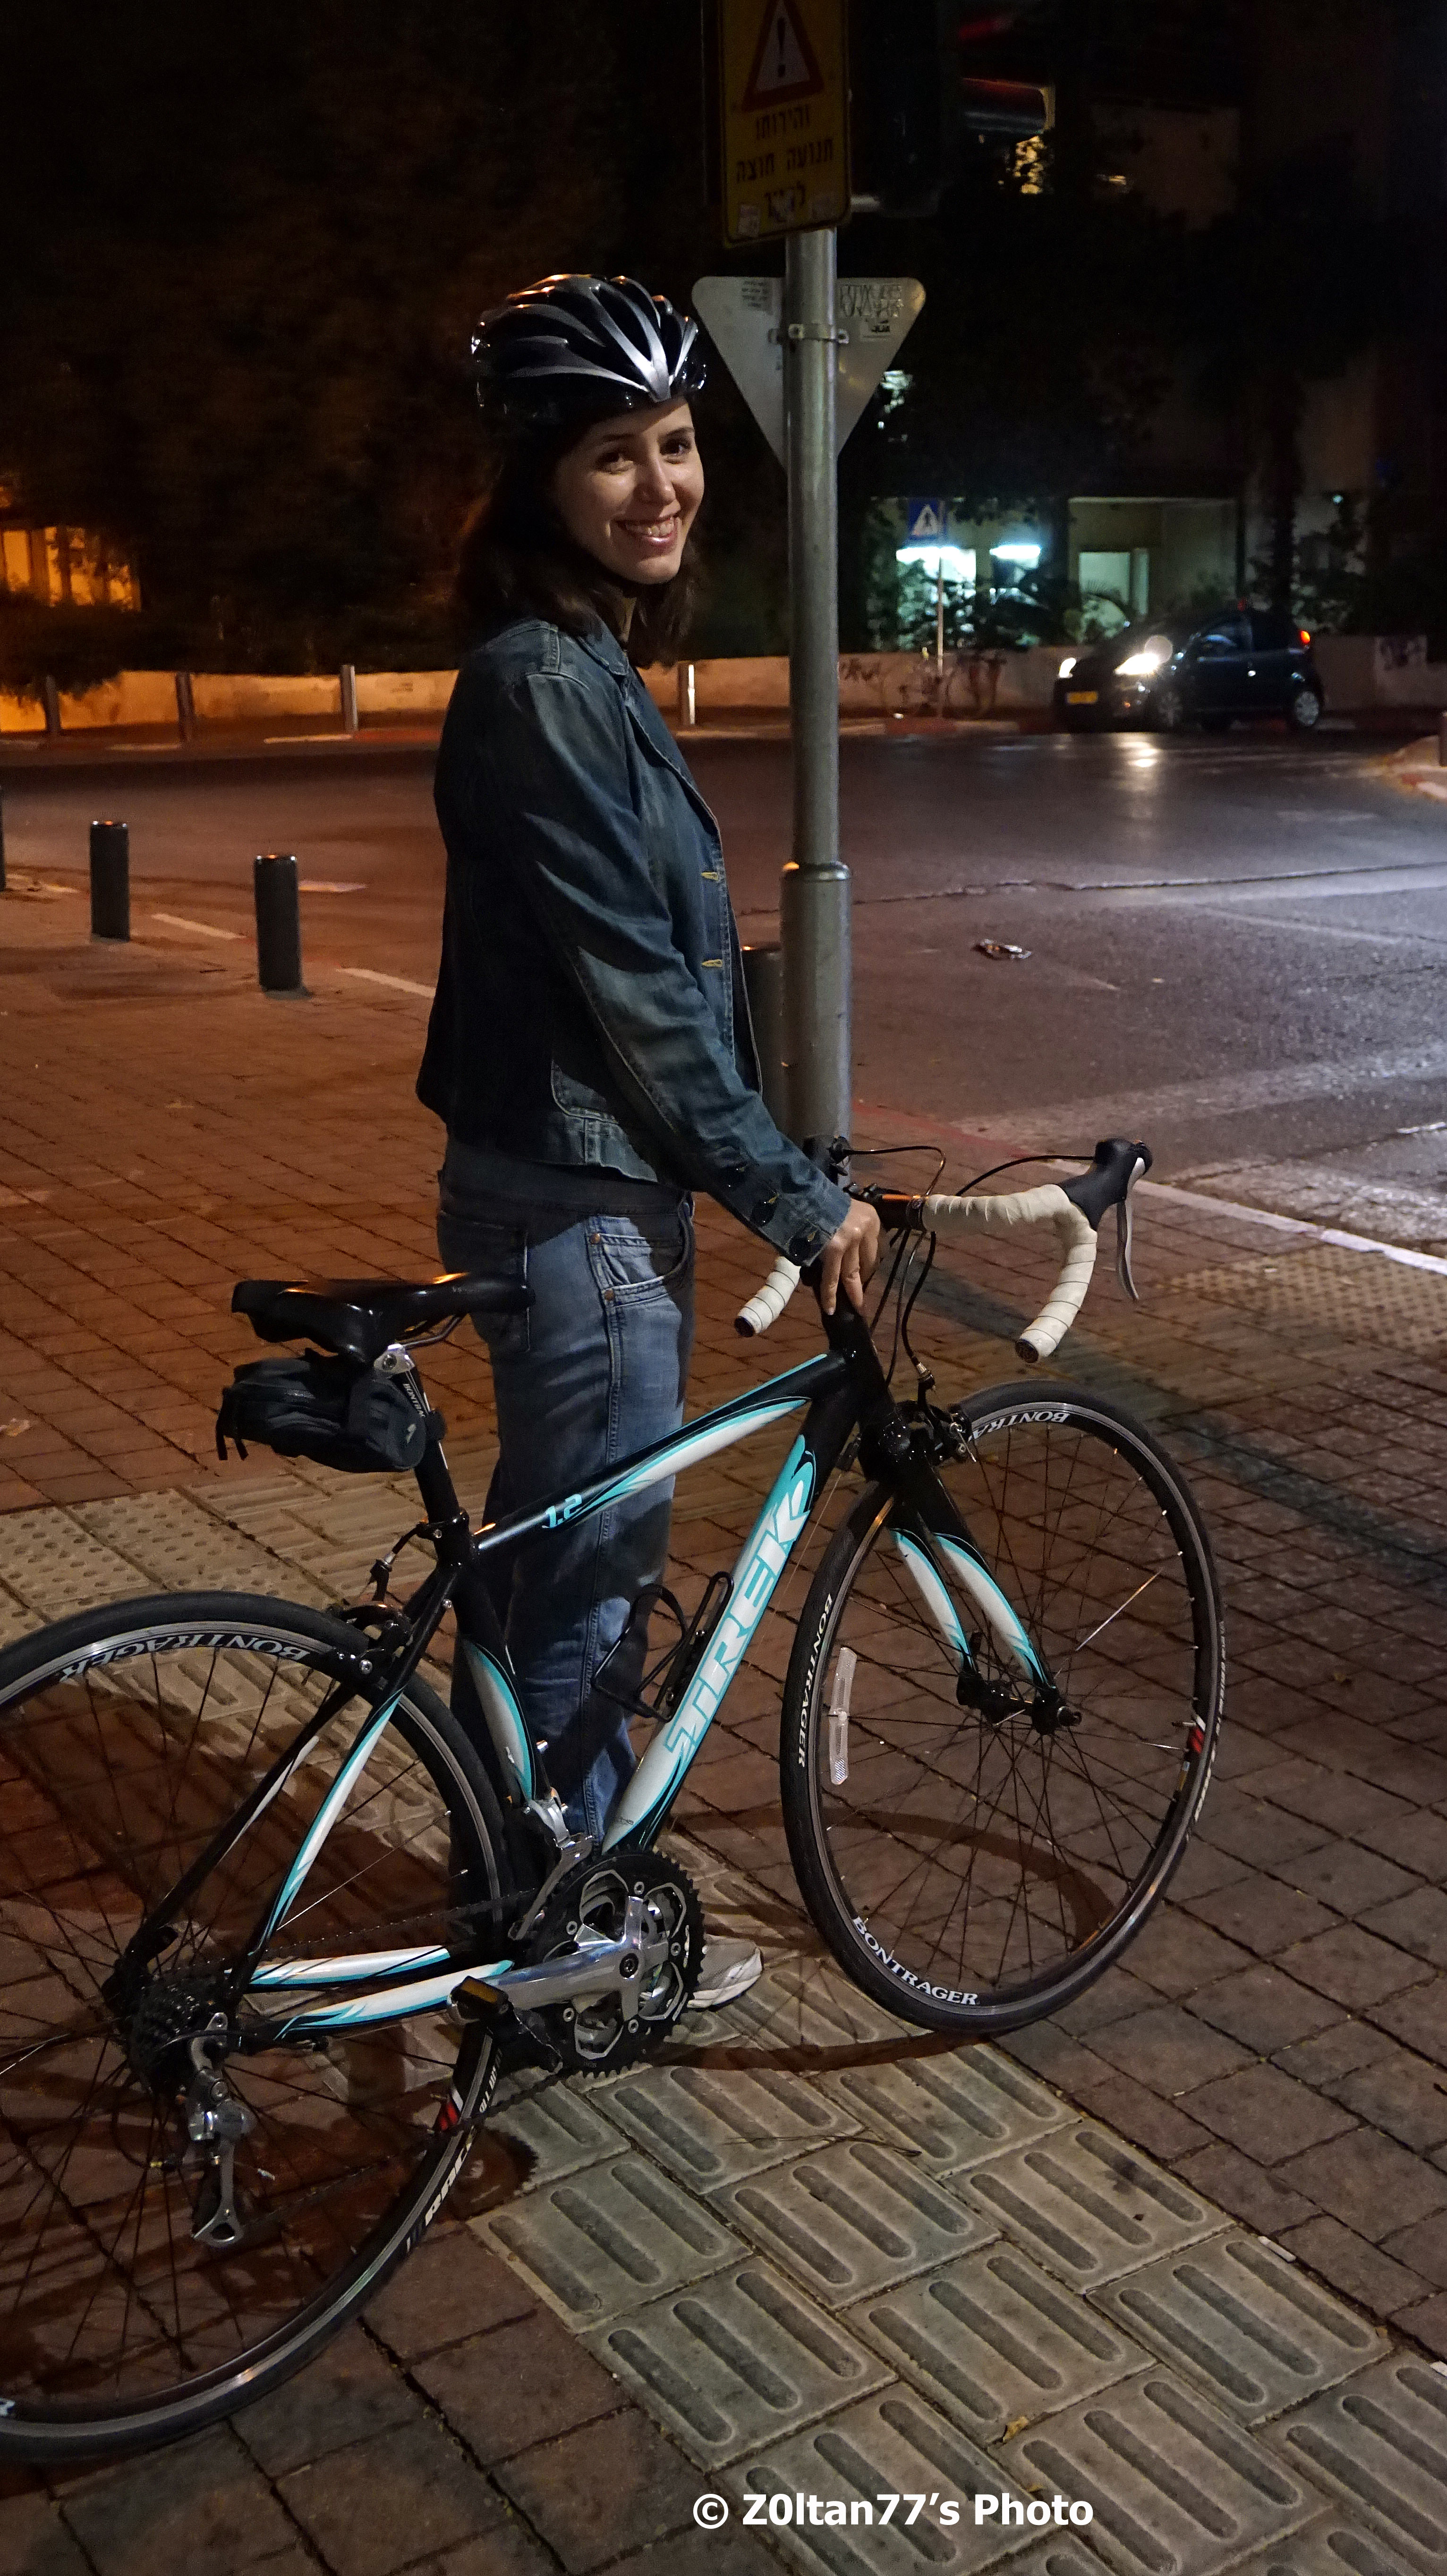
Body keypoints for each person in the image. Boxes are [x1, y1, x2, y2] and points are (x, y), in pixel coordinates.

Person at [418, 274, 879, 2008]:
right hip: (586, 1207)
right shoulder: (543, 682)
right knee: (589, 1590)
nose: (659, 485)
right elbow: (634, 985)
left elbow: (656, 982)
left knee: (553, 1571)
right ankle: (566, 1948)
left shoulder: (579, 666)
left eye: (676, 444)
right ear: (541, 479)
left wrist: (773, 1147)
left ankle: (527, 1906)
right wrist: (789, 1195)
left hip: (566, 1188)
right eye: (613, 454)